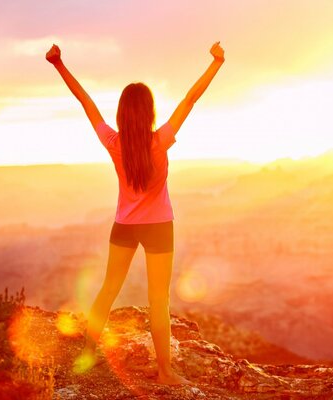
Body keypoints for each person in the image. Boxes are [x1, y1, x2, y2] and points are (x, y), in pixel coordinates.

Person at [45, 41, 225, 385]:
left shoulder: (114, 143)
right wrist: (216, 63)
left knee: (108, 290)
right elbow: (190, 99)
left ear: (122, 115)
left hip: (124, 226)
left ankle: (87, 354)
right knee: (159, 299)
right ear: (149, 113)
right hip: (159, 227)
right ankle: (165, 372)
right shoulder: (161, 141)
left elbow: (85, 101)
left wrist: (58, 63)